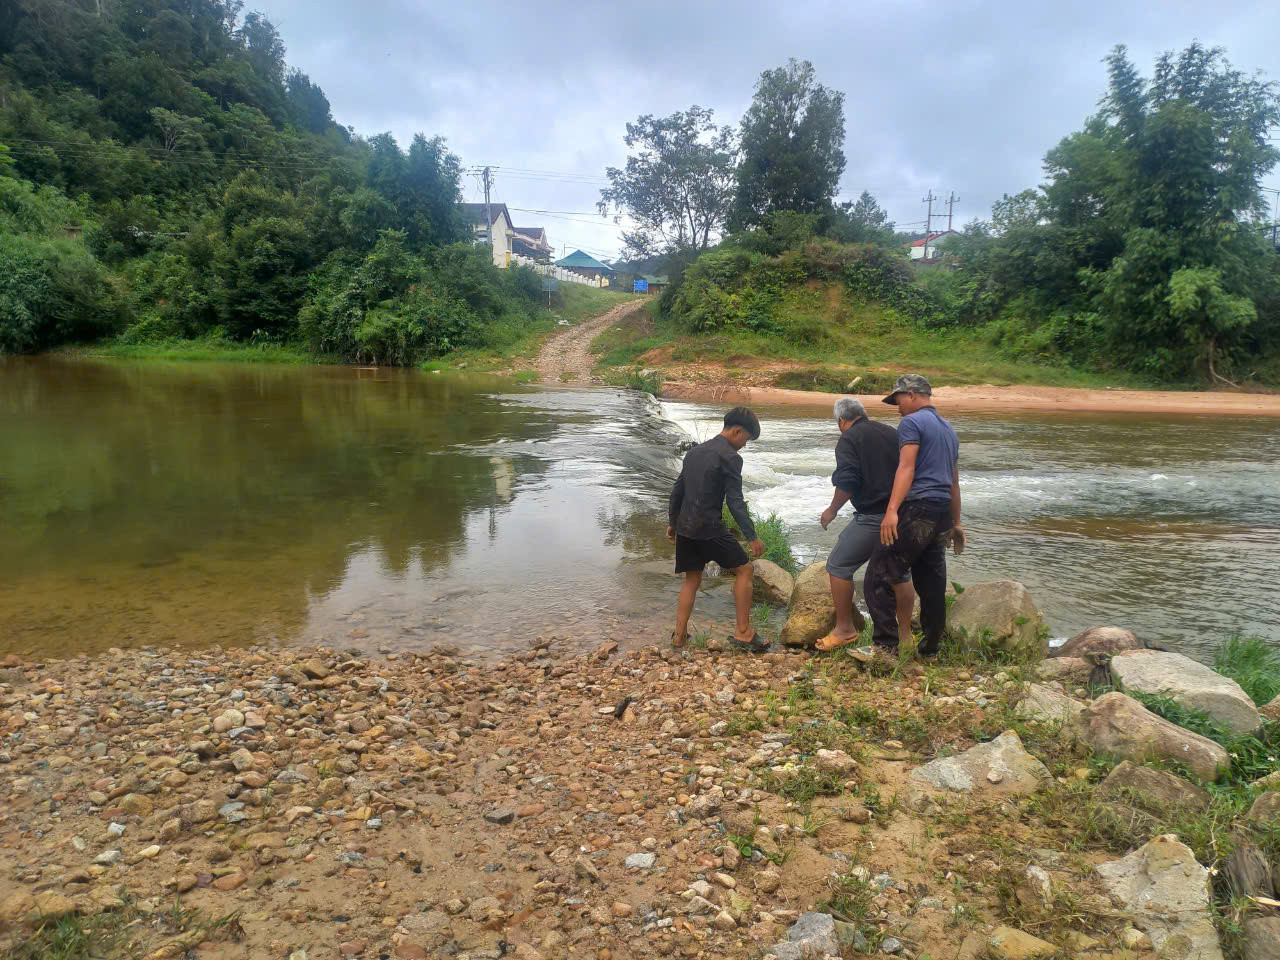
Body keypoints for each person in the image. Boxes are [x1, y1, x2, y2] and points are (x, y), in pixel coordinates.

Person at [862, 375, 965, 660]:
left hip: (918, 508)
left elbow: (906, 468)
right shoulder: (949, 430)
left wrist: (892, 511)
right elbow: (954, 482)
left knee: (879, 575)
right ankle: (930, 650)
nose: (897, 407)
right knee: (932, 583)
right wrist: (957, 523)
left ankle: (885, 648)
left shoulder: (912, 423)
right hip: (942, 512)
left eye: (898, 400)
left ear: (912, 394)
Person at [667, 407, 768, 652]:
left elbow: (678, 489)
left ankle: (679, 635)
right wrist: (752, 536)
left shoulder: (694, 452)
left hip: (686, 527)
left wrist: (673, 523)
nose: (744, 445)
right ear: (737, 431)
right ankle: (743, 633)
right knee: (745, 569)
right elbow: (735, 501)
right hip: (710, 528)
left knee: (692, 579)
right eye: (746, 439)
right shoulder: (731, 457)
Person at [813, 398, 902, 651]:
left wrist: (832, 510)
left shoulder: (849, 439)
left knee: (838, 565)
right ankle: (905, 635)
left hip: (873, 517)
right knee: (900, 573)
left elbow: (848, 480)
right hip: (900, 515)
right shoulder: (890, 432)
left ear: (842, 421)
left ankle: (845, 629)